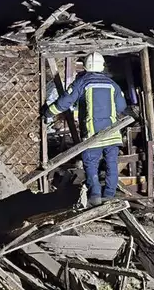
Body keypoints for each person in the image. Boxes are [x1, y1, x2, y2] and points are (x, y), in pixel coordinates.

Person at [44, 52, 127, 207]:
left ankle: (95, 196)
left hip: (92, 135)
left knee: (91, 165)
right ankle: (109, 196)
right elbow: (122, 107)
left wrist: (48, 112)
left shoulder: (82, 83)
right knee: (111, 165)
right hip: (112, 133)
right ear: (102, 66)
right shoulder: (112, 84)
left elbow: (65, 102)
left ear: (86, 65)